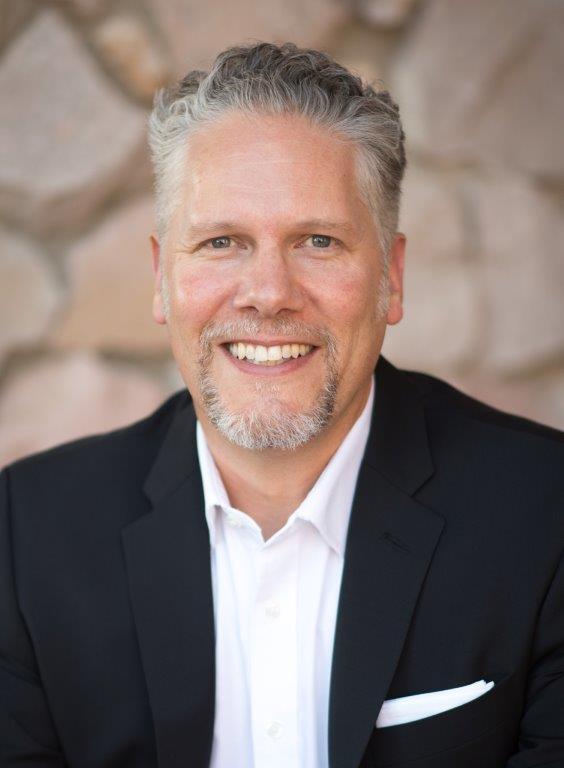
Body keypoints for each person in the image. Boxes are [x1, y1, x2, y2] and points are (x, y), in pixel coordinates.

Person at [1, 42, 563, 768]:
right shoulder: (24, 538)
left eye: (318, 241)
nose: (268, 293)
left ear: (391, 277)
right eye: (222, 241)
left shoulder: (546, 514)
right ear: (161, 278)